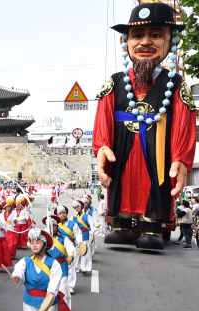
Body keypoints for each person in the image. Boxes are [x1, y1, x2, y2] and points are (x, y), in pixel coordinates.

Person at [96, 3, 196, 250]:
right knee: (122, 180)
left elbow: (185, 121)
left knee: (155, 181)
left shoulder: (175, 83)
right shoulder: (116, 82)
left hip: (158, 151)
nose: (144, 43)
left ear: (169, 40)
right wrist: (102, 147)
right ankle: (120, 224)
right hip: (122, 149)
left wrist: (181, 158)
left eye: (156, 34)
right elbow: (104, 116)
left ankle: (152, 228)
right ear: (126, 42)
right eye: (137, 35)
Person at [11, 228, 63, 311]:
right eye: (32, 243)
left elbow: (55, 280)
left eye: (38, 243)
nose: (34, 246)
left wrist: (49, 295)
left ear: (45, 245)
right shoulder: (26, 261)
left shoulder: (53, 263)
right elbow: (18, 271)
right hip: (29, 301)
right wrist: (17, 277)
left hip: (47, 300)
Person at [44, 215, 75, 311]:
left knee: (62, 289)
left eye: (53, 226)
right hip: (48, 266)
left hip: (61, 265)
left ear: (57, 227)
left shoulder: (63, 237)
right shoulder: (44, 239)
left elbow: (70, 247)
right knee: (49, 289)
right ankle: (48, 309)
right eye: (49, 226)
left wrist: (71, 255)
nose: (52, 228)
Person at [55, 206, 79, 295]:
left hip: (70, 247)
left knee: (71, 267)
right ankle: (60, 285)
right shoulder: (55, 225)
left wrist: (79, 242)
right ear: (57, 215)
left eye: (64, 212)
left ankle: (70, 286)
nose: (62, 215)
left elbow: (78, 234)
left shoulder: (73, 224)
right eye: (60, 213)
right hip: (59, 248)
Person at [70, 200, 97, 275]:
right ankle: (77, 267)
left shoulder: (87, 216)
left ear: (81, 206)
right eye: (75, 207)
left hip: (85, 235)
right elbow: (69, 224)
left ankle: (84, 268)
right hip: (76, 236)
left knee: (84, 252)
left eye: (78, 206)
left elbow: (92, 226)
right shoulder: (73, 217)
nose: (77, 208)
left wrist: (92, 232)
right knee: (77, 252)